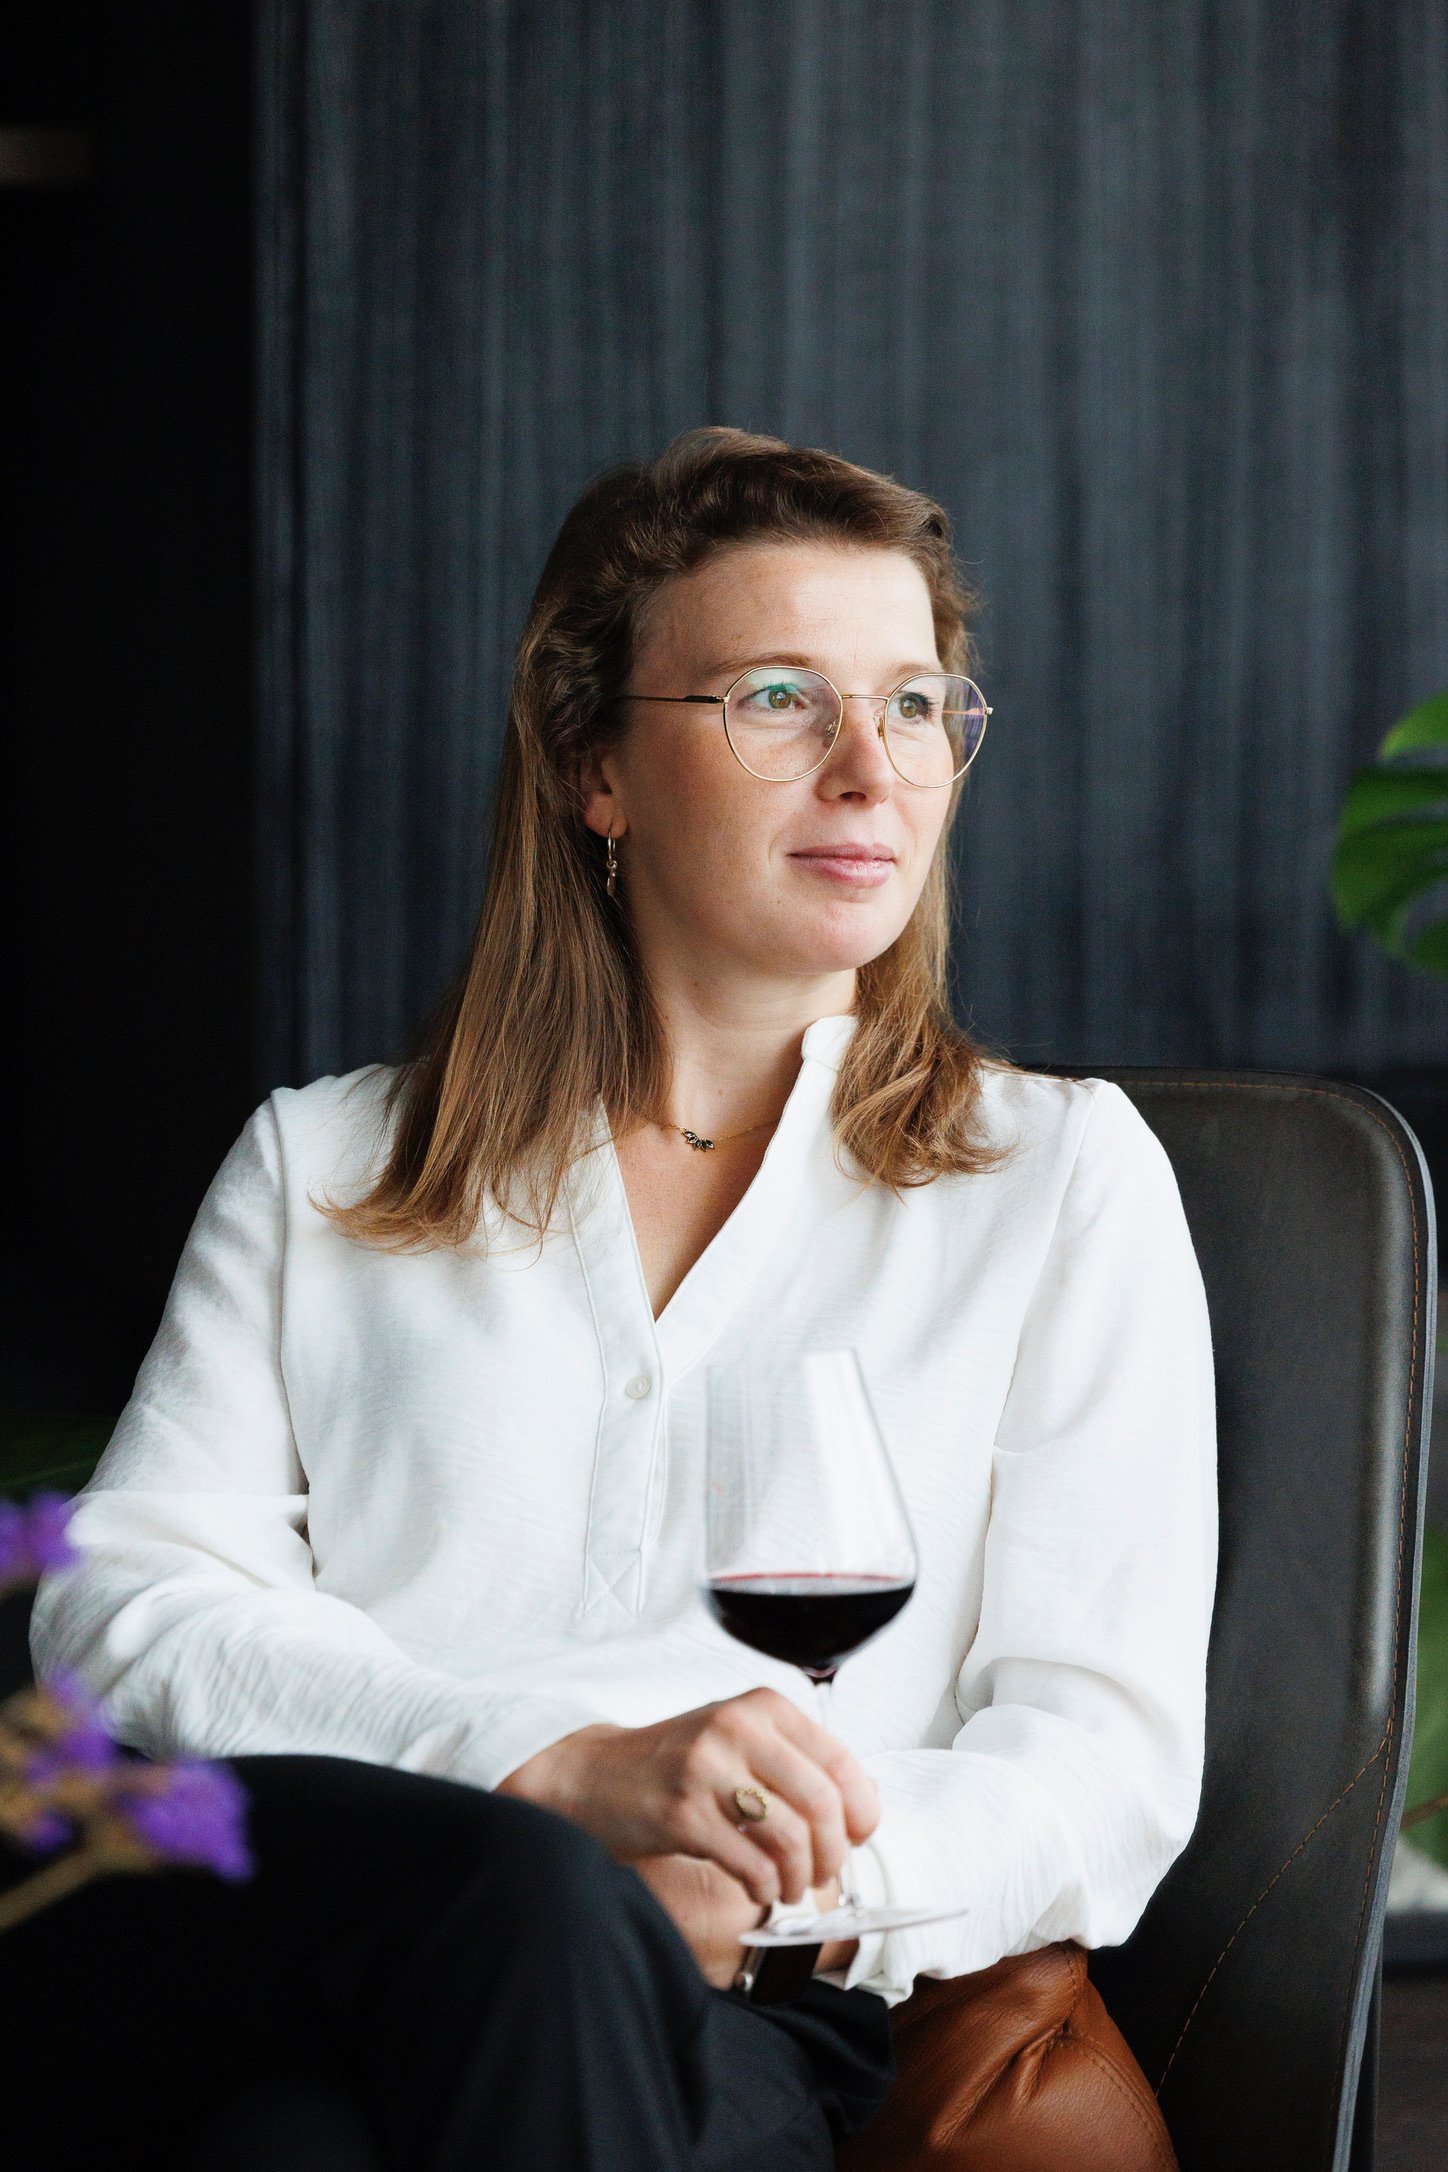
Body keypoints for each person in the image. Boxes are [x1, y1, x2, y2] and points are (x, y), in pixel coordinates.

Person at [23, 428, 1216, 2169]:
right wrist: (548, 1768)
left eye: (915, 705)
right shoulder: (326, 1162)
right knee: (501, 1903)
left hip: (734, 2005)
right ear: (595, 762)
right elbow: (119, 1601)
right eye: (779, 700)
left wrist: (770, 1877)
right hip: (340, 1914)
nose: (870, 769)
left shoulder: (1056, 1182)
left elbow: (1098, 1760)